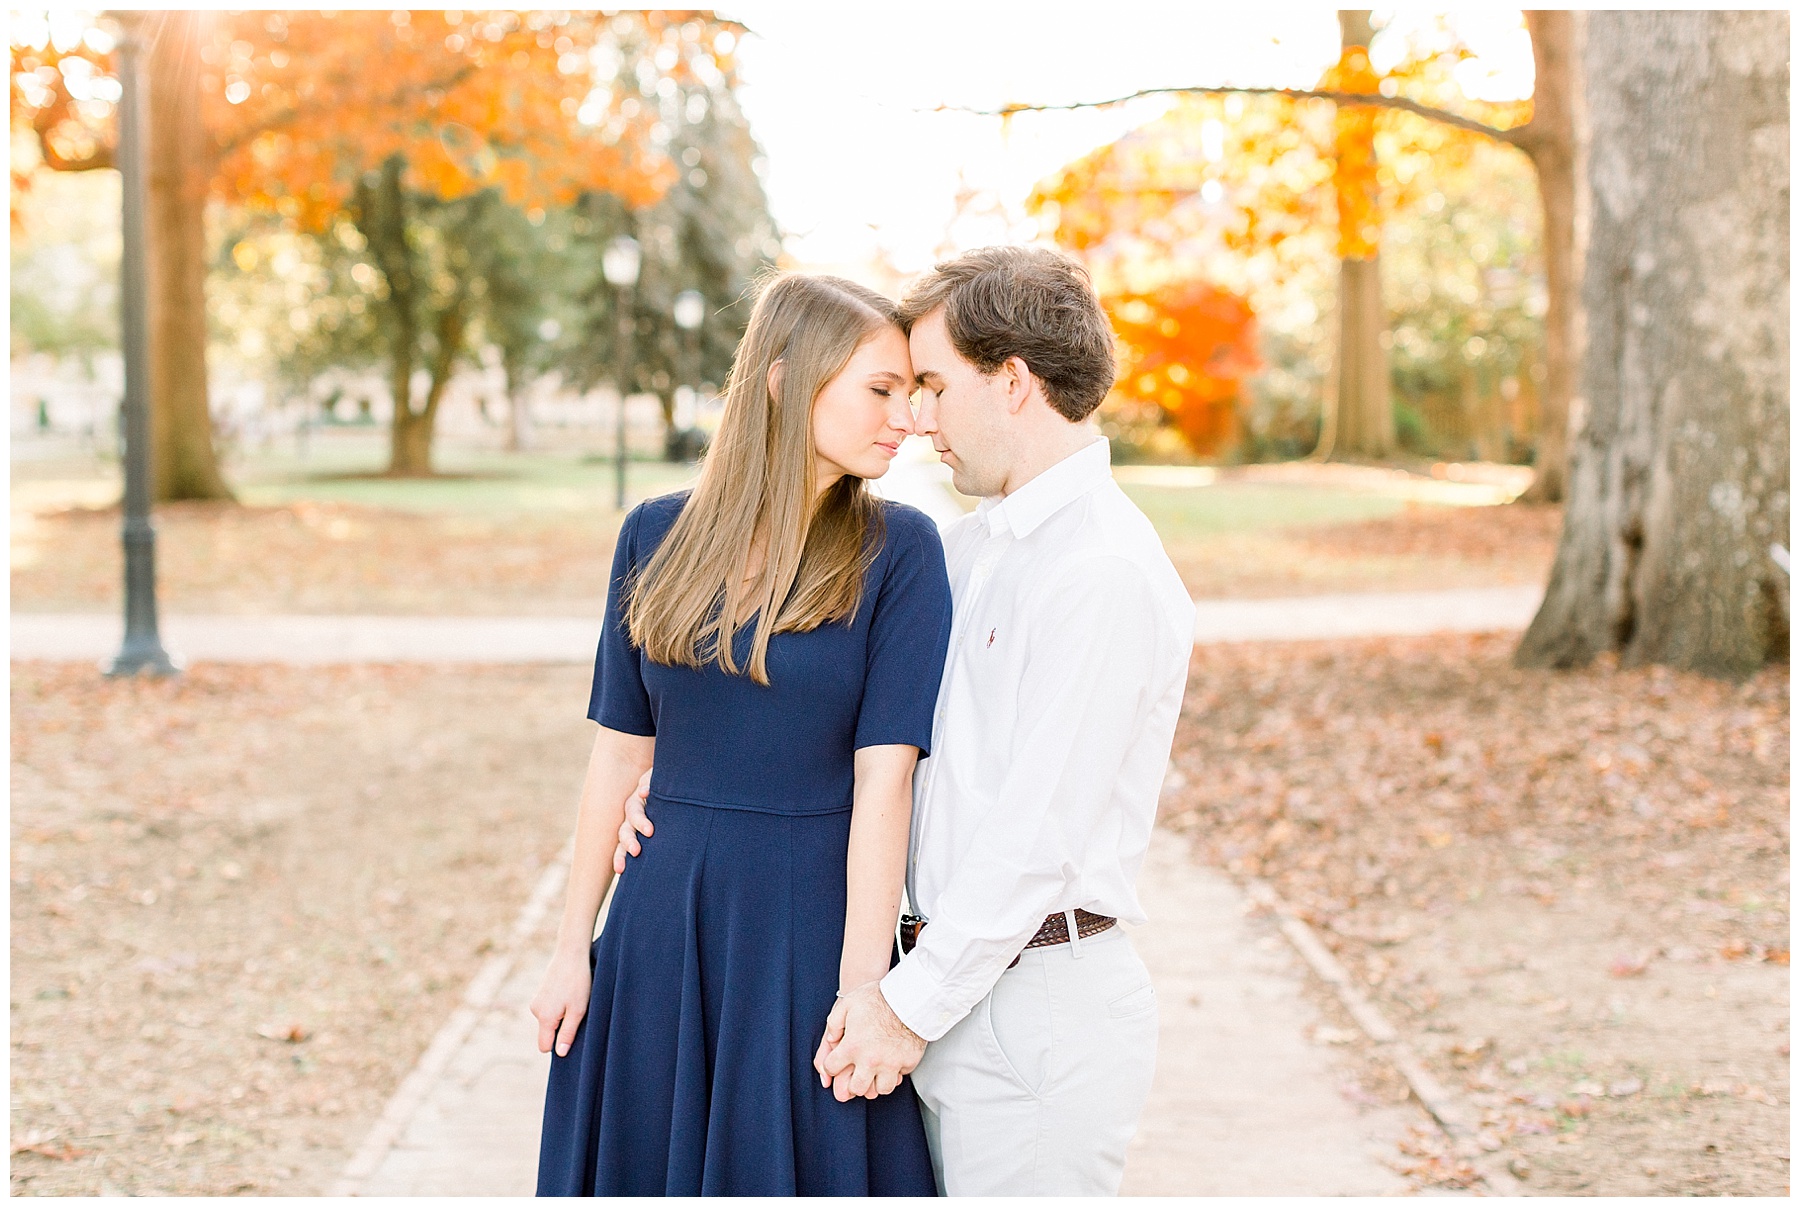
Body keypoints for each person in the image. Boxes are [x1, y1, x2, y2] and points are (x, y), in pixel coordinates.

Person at [619, 246, 1198, 1194]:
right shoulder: (972, 549)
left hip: (1033, 1007)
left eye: (932, 382)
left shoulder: (1103, 571)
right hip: (941, 986)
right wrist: (691, 778)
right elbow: (867, 721)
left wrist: (900, 1012)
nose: (917, 416)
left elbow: (1036, 834)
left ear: (1012, 382)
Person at [531, 273, 952, 1196]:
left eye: (914, 392)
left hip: (808, 928)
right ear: (785, 381)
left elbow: (887, 783)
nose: (908, 418)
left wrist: (861, 985)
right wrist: (573, 947)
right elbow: (617, 753)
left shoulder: (902, 552)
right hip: (658, 926)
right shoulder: (653, 533)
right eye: (880, 389)